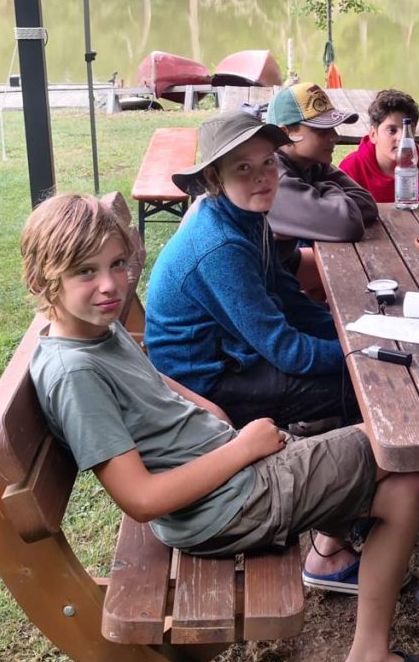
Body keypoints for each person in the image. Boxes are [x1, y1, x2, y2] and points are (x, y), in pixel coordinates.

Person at [20, 193, 419, 662]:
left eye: (118, 264)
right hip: (225, 505)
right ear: (44, 281)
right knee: (403, 439)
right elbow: (141, 498)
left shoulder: (92, 330)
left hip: (228, 481)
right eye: (86, 272)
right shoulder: (75, 374)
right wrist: (242, 448)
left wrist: (213, 413)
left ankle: (374, 654)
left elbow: (151, 380)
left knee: (405, 487)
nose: (111, 284)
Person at [144, 111, 355, 433]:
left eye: (268, 162)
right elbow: (287, 351)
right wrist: (358, 353)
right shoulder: (222, 245)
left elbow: (289, 298)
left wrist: (352, 336)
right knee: (360, 384)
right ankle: (347, 454)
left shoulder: (248, 216)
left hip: (236, 351)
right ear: (214, 178)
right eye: (244, 167)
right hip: (205, 382)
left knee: (356, 370)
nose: (262, 177)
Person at [265, 82, 379, 299]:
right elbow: (347, 224)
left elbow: (366, 204)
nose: (335, 136)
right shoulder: (272, 177)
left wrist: (319, 189)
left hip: (279, 263)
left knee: (356, 277)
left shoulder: (311, 163)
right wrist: (325, 190)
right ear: (285, 134)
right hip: (255, 282)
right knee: (352, 285)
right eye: (321, 130)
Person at [339, 88, 419, 203]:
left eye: (408, 130)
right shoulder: (350, 170)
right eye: (392, 130)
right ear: (373, 135)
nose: (402, 137)